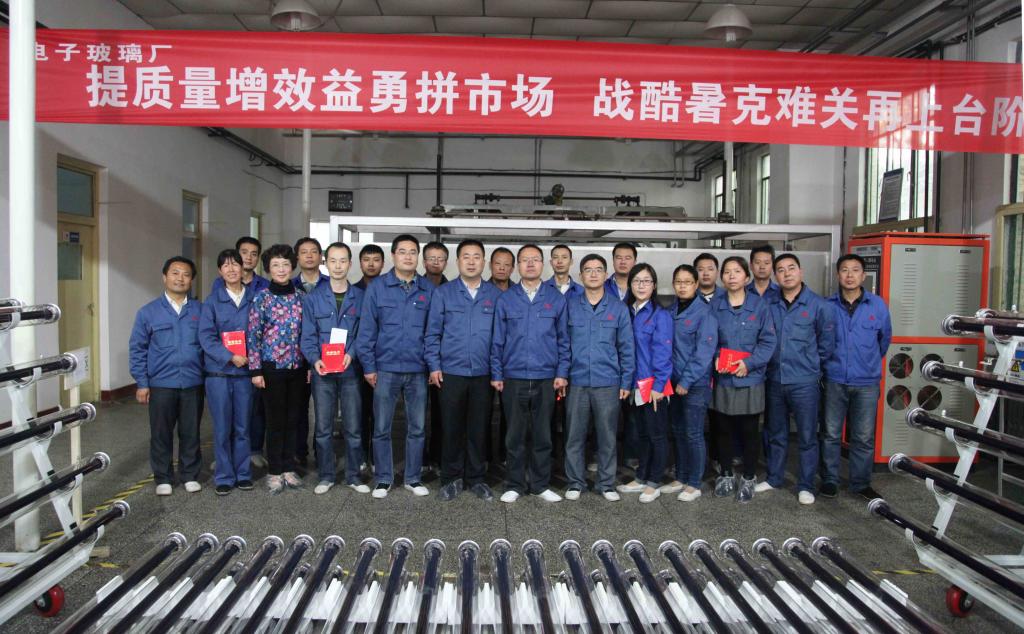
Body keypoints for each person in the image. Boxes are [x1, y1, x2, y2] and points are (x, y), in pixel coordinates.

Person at [355, 234, 434, 499]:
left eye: (413, 252)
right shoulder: (378, 287)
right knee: (381, 427)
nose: (408, 257)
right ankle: (384, 478)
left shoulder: (428, 289)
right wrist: (369, 366)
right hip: (385, 368)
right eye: (403, 252)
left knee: (417, 427)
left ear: (418, 257)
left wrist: (431, 365)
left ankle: (413, 478)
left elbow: (433, 332)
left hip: (418, 370)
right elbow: (367, 330)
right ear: (393, 256)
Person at [490, 244, 569, 504]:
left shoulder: (556, 299)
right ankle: (514, 484)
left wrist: (562, 372)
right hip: (513, 377)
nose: (531, 264)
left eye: (535, 259)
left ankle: (540, 484)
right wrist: (497, 373)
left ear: (543, 264)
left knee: (543, 434)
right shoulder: (506, 299)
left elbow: (563, 340)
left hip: (546, 377)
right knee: (514, 435)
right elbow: (497, 341)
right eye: (525, 260)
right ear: (518, 266)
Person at [424, 239, 501, 501]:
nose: (471, 261)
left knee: (479, 427)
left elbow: (500, 338)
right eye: (466, 256)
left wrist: (497, 372)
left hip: (483, 373)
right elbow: (432, 333)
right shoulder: (443, 293)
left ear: (484, 262)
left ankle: (477, 478)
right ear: (457, 262)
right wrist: (434, 365)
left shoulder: (495, 295)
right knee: (451, 427)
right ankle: (451, 478)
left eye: (476, 256)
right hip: (451, 372)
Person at [758, 253, 835, 505]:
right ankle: (774, 477)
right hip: (774, 379)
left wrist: (809, 365)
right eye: (780, 270)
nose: (786, 274)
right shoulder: (768, 303)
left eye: (791, 268)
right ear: (775, 276)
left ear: (800, 272)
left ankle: (805, 485)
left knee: (807, 436)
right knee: (775, 433)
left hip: (804, 382)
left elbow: (826, 345)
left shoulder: (819, 305)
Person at [129, 256, 205, 496]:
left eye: (186, 274)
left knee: (191, 432)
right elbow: (138, 349)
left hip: (193, 382)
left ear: (191, 280)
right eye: (175, 273)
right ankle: (163, 477)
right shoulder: (148, 312)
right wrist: (142, 383)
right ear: (164, 277)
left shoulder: (200, 310)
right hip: (161, 383)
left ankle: (190, 475)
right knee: (161, 433)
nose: (180, 278)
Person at [300, 242, 370, 495]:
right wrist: (314, 359)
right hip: (323, 372)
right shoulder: (313, 298)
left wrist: (352, 354)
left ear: (350, 264)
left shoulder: (362, 297)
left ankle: (353, 476)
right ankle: (326, 475)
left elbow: (365, 333)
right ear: (326, 263)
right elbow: (307, 335)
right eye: (333, 260)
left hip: (350, 371)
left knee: (353, 427)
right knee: (323, 428)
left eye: (343, 261)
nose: (338, 266)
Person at [563, 254, 634, 502]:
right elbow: (563, 344)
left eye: (598, 270)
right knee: (574, 435)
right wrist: (562, 376)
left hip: (608, 382)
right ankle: (575, 482)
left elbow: (626, 347)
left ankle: (606, 483)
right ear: (580, 275)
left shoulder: (618, 308)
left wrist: (626, 381)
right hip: (577, 381)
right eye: (588, 270)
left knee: (607, 436)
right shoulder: (570, 305)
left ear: (606, 275)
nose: (593, 274)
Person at [821, 254, 892, 500]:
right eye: (844, 270)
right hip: (834, 378)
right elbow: (821, 340)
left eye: (855, 270)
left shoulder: (878, 306)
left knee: (863, 436)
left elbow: (884, 340)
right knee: (830, 433)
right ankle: (829, 479)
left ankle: (860, 483)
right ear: (838, 275)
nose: (849, 275)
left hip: (866, 382)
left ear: (863, 275)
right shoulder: (827, 306)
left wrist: (866, 364)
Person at [709, 256, 777, 503]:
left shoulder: (759, 306)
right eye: (727, 272)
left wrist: (749, 363)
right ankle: (726, 474)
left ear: (746, 277)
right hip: (724, 378)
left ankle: (748, 476)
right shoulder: (715, 306)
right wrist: (715, 357)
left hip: (750, 377)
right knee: (723, 429)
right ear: (722, 278)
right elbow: (708, 338)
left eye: (737, 271)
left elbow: (768, 341)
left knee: (750, 430)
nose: (731, 276)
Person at [247, 244, 307, 493]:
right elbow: (253, 335)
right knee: (275, 421)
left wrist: (309, 364)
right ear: (268, 269)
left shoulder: (301, 297)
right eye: (275, 265)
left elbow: (308, 333)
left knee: (294, 419)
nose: (281, 269)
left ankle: (288, 467)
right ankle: (274, 470)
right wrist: (255, 370)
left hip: (298, 367)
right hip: (271, 368)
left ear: (292, 266)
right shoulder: (261, 298)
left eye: (285, 264)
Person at [198, 250, 255, 496]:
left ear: (243, 269)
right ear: (220, 271)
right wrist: (230, 356)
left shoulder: (255, 298)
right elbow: (206, 337)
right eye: (226, 266)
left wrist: (252, 357)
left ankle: (243, 474)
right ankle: (224, 475)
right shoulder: (212, 301)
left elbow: (261, 332)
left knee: (243, 427)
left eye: (235, 265)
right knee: (222, 428)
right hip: (219, 374)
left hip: (245, 375)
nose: (231, 270)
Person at [617, 264, 674, 503]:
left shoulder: (660, 315)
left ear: (654, 285)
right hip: (634, 385)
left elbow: (664, 352)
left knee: (656, 435)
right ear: (630, 284)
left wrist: (659, 386)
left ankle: (654, 481)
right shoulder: (626, 311)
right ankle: (641, 476)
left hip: (653, 385)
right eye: (637, 281)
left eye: (647, 281)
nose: (641, 285)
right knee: (641, 433)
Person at [664, 264, 718, 502]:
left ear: (696, 284)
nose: (682, 286)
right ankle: (682, 476)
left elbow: (704, 353)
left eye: (687, 282)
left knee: (693, 433)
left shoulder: (705, 313)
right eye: (678, 282)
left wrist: (686, 380)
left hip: (694, 384)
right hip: (673, 382)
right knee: (677, 431)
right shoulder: (671, 310)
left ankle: (694, 483)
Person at [291, 237, 327, 468]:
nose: (309, 256)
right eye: (304, 252)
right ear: (297, 257)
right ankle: (299, 452)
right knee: (298, 407)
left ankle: (321, 451)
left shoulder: (331, 284)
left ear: (321, 256)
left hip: (326, 358)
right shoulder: (288, 284)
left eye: (314, 251)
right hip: (295, 357)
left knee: (324, 410)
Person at [354, 243, 385, 469]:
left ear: (383, 263)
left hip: (382, 360)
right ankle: (362, 455)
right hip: (356, 360)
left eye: (376, 260)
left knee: (380, 413)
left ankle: (376, 457)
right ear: (360, 263)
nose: (371, 264)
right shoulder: (353, 291)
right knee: (360, 410)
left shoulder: (387, 289)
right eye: (366, 259)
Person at [486, 246, 516, 463]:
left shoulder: (518, 293)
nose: (502, 268)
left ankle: (506, 455)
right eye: (498, 263)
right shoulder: (481, 290)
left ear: (513, 268)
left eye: (507, 264)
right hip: (484, 359)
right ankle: (486, 455)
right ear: (490, 265)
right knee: (484, 412)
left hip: (510, 360)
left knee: (510, 412)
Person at [422, 241, 450, 475]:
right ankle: (420, 459)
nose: (435, 262)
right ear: (424, 261)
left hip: (441, 363)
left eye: (440, 258)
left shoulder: (451, 289)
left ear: (446, 262)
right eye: (431, 258)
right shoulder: (415, 286)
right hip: (415, 361)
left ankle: (438, 457)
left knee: (441, 414)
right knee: (417, 415)